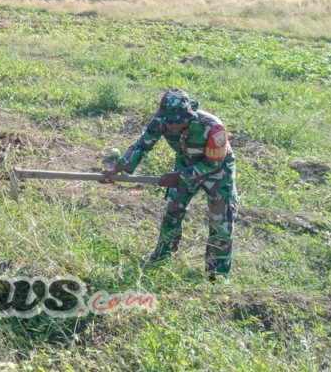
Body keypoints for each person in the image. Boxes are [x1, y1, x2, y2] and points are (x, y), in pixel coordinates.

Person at [101, 89, 237, 281]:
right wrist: (117, 168)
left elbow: (213, 163)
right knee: (172, 211)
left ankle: (218, 273)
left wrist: (180, 176)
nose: (172, 127)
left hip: (218, 172)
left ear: (189, 115)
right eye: (168, 122)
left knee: (221, 220)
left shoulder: (212, 127)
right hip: (185, 164)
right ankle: (163, 254)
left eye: (178, 122)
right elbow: (142, 145)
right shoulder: (160, 121)